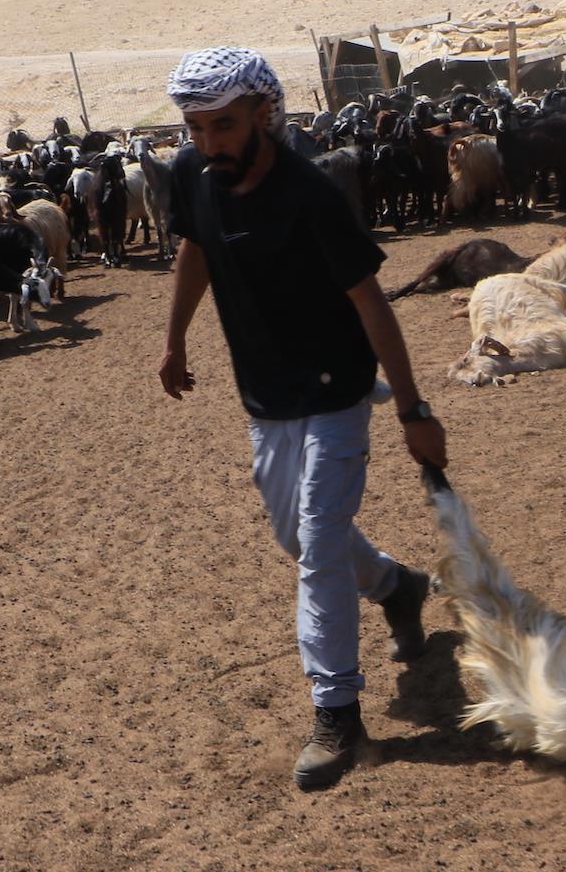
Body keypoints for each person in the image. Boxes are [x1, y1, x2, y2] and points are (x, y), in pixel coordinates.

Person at [156, 46, 448, 791]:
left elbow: (371, 303)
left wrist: (413, 409)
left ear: (263, 113)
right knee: (297, 536)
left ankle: (336, 711)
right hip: (265, 396)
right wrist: (175, 339)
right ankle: (396, 587)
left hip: (336, 393)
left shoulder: (311, 194)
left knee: (316, 545)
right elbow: (195, 249)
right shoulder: (195, 176)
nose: (208, 142)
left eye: (223, 124)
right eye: (195, 127)